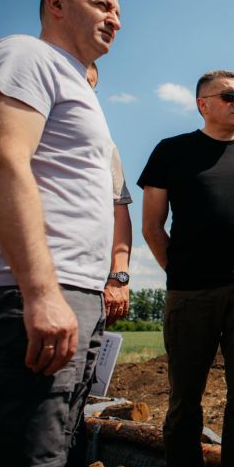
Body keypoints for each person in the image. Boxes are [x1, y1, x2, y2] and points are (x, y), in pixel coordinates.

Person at [0, 0, 122, 467]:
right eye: (102, 5)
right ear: (56, 4)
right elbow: (2, 165)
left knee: (55, 458)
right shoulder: (25, 56)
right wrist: (41, 293)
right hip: (31, 292)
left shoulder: (75, 83)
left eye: (118, 11)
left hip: (75, 291)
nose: (115, 20)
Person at [139, 70, 234, 467]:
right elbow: (152, 227)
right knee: (184, 399)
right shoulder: (170, 152)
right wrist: (180, 271)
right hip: (190, 292)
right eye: (228, 95)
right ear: (202, 104)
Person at [86, 62, 133, 325]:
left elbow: (119, 213)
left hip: (87, 286)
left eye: (90, 86)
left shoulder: (105, 144)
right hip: (8, 283)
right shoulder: (11, 120)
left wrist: (119, 277)